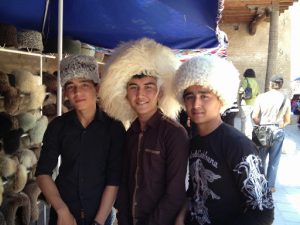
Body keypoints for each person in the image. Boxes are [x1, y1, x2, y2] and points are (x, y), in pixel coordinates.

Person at [173, 55, 274, 225]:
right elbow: (195, 189)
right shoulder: (194, 142)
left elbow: (263, 212)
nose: (196, 104)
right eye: (190, 96)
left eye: (204, 96)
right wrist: (181, 216)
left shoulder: (238, 145)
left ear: (221, 99)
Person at [99, 38, 189, 225]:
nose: (140, 95)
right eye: (134, 87)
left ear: (160, 92)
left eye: (148, 87)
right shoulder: (130, 132)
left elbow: (175, 193)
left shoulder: (174, 134)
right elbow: (123, 183)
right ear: (125, 93)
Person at [35, 55, 126, 225]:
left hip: (100, 214)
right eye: (71, 86)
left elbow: (113, 180)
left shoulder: (114, 128)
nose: (77, 93)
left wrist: (98, 222)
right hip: (64, 216)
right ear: (65, 91)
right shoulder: (58, 126)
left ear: (96, 88)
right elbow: (43, 173)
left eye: (84, 85)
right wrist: (62, 210)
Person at [252, 75, 290, 192]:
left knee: (261, 158)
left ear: (270, 84)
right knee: (274, 160)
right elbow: (287, 120)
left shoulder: (261, 97)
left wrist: (262, 124)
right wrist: (279, 126)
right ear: (281, 85)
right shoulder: (285, 99)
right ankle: (270, 186)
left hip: (263, 129)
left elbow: (254, 116)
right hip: (277, 130)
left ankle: (259, 183)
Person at [239, 68, 260, 138]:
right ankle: (249, 134)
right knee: (249, 120)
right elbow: (257, 93)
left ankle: (243, 136)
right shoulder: (255, 82)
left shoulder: (246, 80)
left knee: (244, 120)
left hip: (245, 103)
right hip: (253, 103)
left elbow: (240, 91)